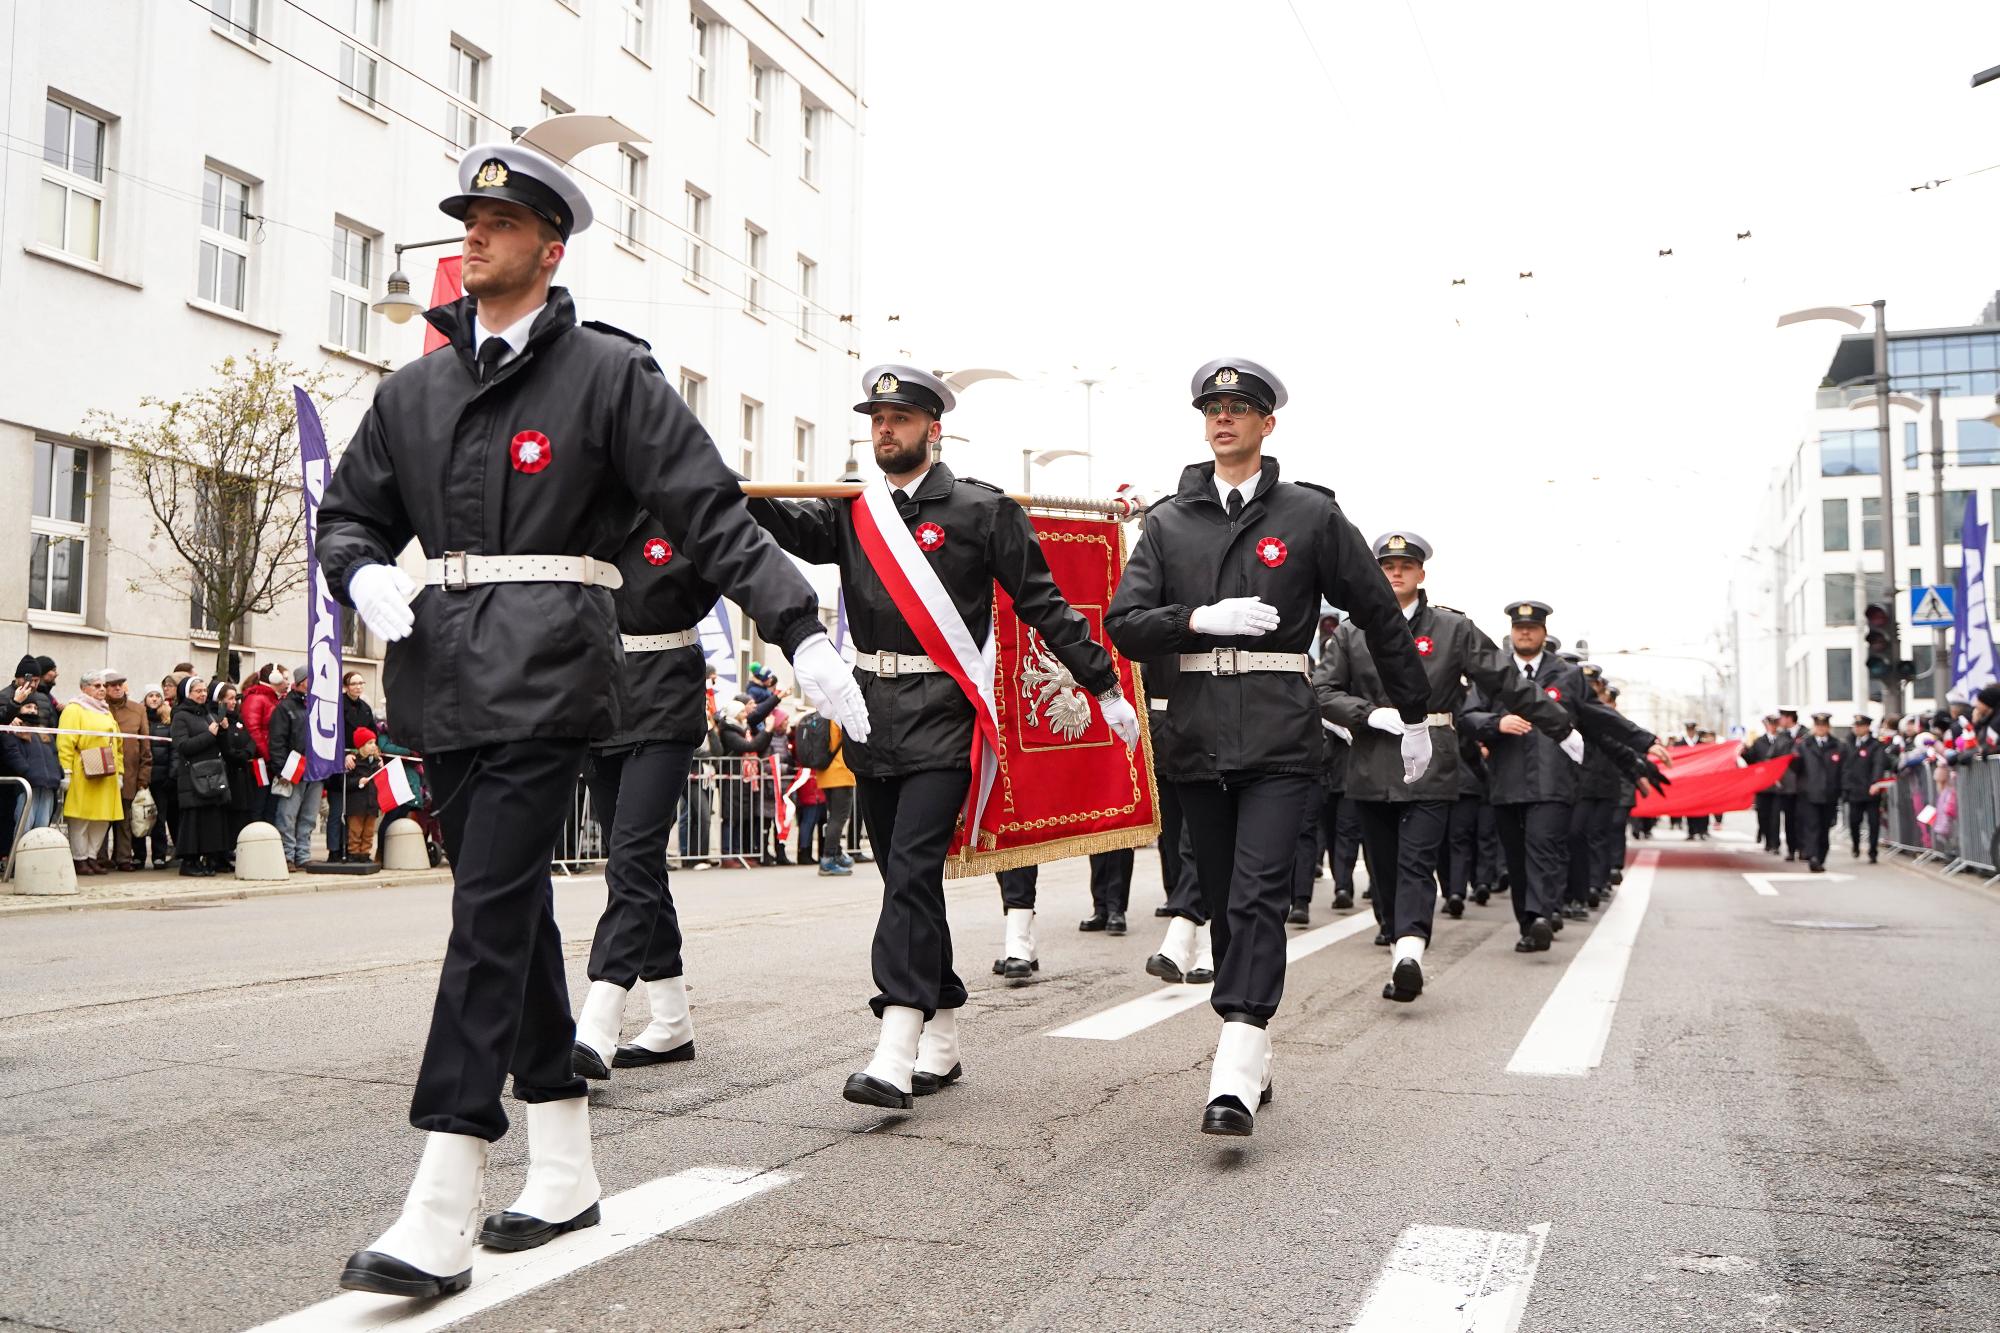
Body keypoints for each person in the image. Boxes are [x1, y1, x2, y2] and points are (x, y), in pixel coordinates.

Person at [318, 136, 869, 1300]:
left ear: (548, 248)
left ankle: (443, 1193)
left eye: (497, 224)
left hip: (554, 676)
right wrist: (358, 569)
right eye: (465, 221)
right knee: (506, 914)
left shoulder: (610, 381)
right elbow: (349, 514)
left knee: (483, 923)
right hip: (442, 685)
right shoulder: (413, 391)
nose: (472, 238)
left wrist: (800, 628)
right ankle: (562, 1167)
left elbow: (714, 515)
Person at [750, 362, 1137, 1111]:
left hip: (944, 713)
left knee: (914, 867)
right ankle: (946, 1027)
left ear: (933, 427)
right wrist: (714, 480)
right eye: (876, 418)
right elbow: (777, 523)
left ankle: (896, 1043)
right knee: (905, 877)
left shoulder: (979, 510)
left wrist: (1103, 683)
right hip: (868, 713)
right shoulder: (853, 510)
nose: (884, 428)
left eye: (899, 417)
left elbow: (1044, 605)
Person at [1106, 358, 1429, 1136]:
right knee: (1220, 897)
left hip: (1283, 734)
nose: (1224, 419)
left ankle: (1236, 1060)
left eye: (1240, 407)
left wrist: (1414, 711)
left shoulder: (1309, 516)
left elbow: (1380, 613)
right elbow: (1124, 621)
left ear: (1266, 423)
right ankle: (1255, 1045)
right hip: (1194, 733)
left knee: (1256, 893)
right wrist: (1196, 620)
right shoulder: (1169, 520)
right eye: (1212, 408)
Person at [1316, 533, 1579, 1000]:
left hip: (1432, 762)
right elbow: (1323, 690)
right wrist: (1369, 714)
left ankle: (1410, 951)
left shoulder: (1451, 629)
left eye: (1406, 565)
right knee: (1382, 868)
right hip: (1372, 761)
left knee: (1417, 862)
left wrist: (1559, 724)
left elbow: (1506, 680)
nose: (1396, 572)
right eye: (1387, 565)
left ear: (1421, 573)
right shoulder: (1354, 633)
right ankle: (1400, 942)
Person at [570, 512, 720, 1081]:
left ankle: (598, 1020)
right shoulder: (590, 498)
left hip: (664, 702)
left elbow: (753, 554)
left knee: (631, 860)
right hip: (601, 700)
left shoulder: (685, 503)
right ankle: (671, 1019)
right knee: (641, 867)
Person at [1459, 602, 1667, 955]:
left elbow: (1599, 718)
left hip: (1553, 781)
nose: (1525, 632)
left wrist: (1644, 741)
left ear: (1543, 633)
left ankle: (1541, 915)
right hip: (1506, 782)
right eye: (1519, 628)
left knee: (1544, 847)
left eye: (1533, 628)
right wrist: (1496, 724)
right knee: (1517, 856)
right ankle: (1528, 924)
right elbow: (1467, 716)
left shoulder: (1566, 675)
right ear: (1512, 633)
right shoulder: (1495, 672)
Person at [1140, 652, 1216, 986]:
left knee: (1199, 841)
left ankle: (1196, 941)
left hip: (1216, 735)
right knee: (1173, 842)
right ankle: (1196, 937)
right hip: (1165, 736)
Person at [57, 668, 125, 876]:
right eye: (97, 686)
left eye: (103, 686)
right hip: (83, 769)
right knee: (81, 817)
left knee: (101, 818)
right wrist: (66, 770)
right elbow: (66, 742)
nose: (102, 690)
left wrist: (120, 771)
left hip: (107, 771)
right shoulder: (74, 709)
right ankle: (79, 858)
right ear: (84, 688)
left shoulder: (105, 711)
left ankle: (92, 856)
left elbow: (118, 744)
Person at [171, 677, 231, 877]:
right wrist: (209, 734)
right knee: (193, 821)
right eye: (198, 691)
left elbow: (218, 743)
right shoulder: (180, 716)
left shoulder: (207, 714)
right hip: (192, 775)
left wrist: (222, 730)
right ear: (188, 694)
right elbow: (183, 746)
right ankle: (189, 861)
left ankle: (206, 859)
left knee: (208, 821)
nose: (202, 694)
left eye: (204, 691)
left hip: (211, 774)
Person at [96, 671, 153, 872]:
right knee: (102, 818)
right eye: (112, 685)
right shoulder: (99, 708)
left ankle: (123, 858)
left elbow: (145, 745)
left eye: (120, 684)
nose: (117, 688)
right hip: (103, 771)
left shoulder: (137, 710)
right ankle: (99, 857)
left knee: (125, 819)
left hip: (129, 772)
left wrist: (143, 776)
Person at [267, 667, 323, 868]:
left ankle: (303, 855)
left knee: (308, 816)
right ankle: (287, 855)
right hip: (294, 768)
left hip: (315, 769)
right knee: (287, 815)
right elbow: (277, 741)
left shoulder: (317, 705)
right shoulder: (285, 708)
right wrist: (282, 769)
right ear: (300, 682)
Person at [325, 671, 379, 863]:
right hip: (340, 760)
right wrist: (343, 755)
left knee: (356, 813)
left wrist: (374, 753)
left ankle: (355, 850)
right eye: (353, 683)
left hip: (361, 762)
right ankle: (334, 849)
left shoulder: (365, 708)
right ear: (346, 686)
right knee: (338, 809)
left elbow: (372, 734)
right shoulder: (337, 706)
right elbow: (333, 734)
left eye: (360, 683)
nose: (358, 687)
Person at [212, 681, 263, 858]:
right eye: (230, 699)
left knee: (242, 814)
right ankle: (223, 852)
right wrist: (240, 754)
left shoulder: (239, 720)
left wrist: (246, 752)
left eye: (235, 698)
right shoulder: (218, 720)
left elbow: (251, 741)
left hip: (243, 776)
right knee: (228, 816)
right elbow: (227, 750)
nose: (234, 702)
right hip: (228, 775)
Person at [1793, 711, 1843, 873]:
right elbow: (1795, 768)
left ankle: (1820, 857)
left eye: (1823, 726)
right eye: (1818, 726)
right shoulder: (1804, 745)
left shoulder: (1838, 745)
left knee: (1824, 828)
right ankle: (1813, 856)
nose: (1820, 729)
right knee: (1811, 826)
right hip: (1809, 793)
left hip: (1829, 793)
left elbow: (1844, 769)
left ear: (1828, 727)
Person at [1842, 714, 1890, 862]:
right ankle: (1856, 845)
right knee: (1854, 821)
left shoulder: (1875, 745)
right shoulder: (1848, 743)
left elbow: (1878, 764)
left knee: (1873, 822)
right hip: (1854, 790)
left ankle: (1873, 851)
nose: (1857, 728)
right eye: (1855, 726)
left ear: (1867, 727)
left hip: (1870, 789)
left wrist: (1875, 782)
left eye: (1860, 726)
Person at [242, 663, 284, 824]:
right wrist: (269, 757)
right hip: (261, 763)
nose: (287, 683)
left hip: (271, 762)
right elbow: (254, 730)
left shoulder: (274, 700)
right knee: (259, 807)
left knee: (271, 808)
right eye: (284, 678)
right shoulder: (256, 699)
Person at [815, 717, 857, 876]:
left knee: (833, 817)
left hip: (825, 772)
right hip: (841, 771)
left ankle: (836, 853)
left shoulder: (823, 713)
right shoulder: (839, 713)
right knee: (839, 818)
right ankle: (828, 859)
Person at [142, 689, 178, 869]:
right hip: (143, 777)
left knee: (159, 819)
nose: (154, 699)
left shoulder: (168, 721)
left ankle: (159, 855)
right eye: (150, 696)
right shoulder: (141, 719)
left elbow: (174, 751)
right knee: (139, 817)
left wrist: (171, 775)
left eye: (157, 696)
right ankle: (138, 855)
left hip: (161, 778)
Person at [345, 727, 384, 861]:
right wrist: (358, 781)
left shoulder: (376, 763)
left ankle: (365, 853)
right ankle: (354, 853)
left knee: (369, 832)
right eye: (369, 743)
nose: (373, 746)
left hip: (372, 803)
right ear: (361, 746)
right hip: (357, 804)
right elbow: (345, 782)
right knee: (355, 831)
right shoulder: (354, 762)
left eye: (374, 742)